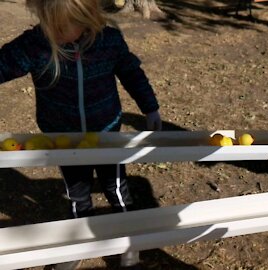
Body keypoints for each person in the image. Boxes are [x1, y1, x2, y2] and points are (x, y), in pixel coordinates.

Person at [0, 0, 162, 268]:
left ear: (86, 17)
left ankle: (128, 244)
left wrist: (150, 108)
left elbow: (132, 72)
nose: (55, 32)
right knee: (77, 193)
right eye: (50, 24)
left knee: (116, 189)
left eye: (63, 26)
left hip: (106, 134)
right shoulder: (36, 44)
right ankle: (77, 246)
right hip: (63, 139)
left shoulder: (108, 41)